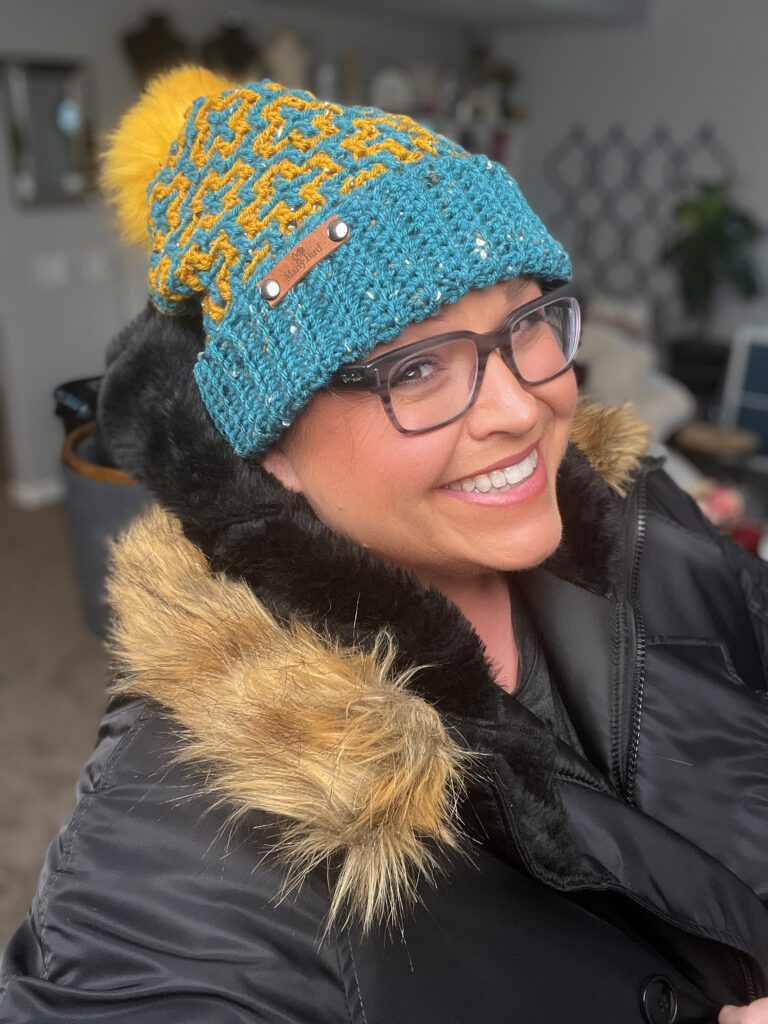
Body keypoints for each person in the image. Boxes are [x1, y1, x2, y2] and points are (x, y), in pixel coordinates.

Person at [1, 66, 767, 1024]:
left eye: (526, 323)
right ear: (271, 444)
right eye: (418, 367)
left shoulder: (636, 514)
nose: (520, 408)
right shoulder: (185, 836)